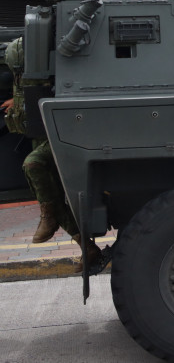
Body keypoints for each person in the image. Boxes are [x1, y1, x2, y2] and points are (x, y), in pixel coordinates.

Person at [1, 37, 100, 272]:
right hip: (38, 136)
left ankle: (53, 220)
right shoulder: (20, 77)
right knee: (52, 195)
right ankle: (86, 247)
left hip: (59, 136)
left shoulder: (50, 73)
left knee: (33, 165)